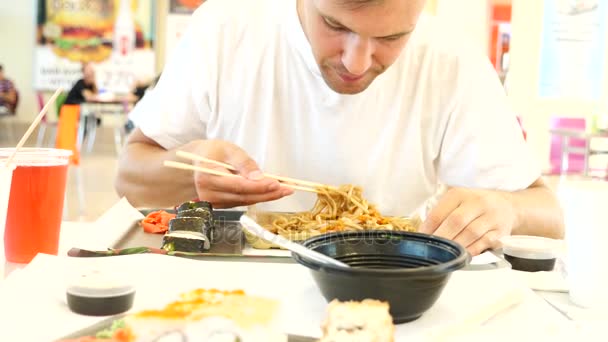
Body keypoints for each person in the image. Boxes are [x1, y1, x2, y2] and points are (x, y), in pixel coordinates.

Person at [115, 0, 564, 256]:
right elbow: (131, 176)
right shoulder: (228, 27)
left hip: (389, 285)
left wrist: (507, 209)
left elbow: (548, 211)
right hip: (234, 282)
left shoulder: (451, 60)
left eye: (391, 39)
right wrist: (189, 174)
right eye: (335, 24)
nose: (357, 62)